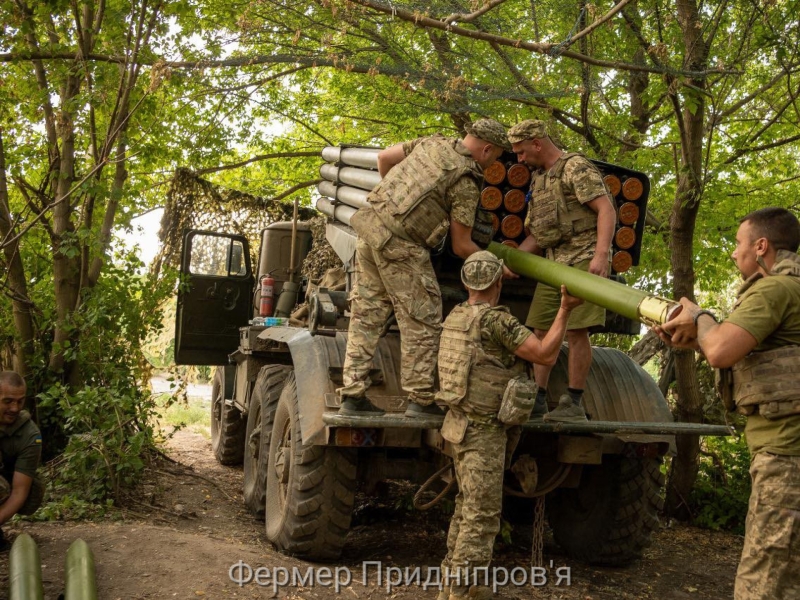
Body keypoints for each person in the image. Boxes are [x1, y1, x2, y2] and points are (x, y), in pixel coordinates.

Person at [654, 207, 800, 600]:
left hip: (785, 459)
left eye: (739, 243)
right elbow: (746, 356)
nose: (735, 253)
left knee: (762, 583)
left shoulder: (775, 289)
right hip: (787, 452)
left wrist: (699, 316)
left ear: (762, 246)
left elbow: (719, 349)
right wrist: (697, 335)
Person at [338, 119, 514, 417]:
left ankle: (352, 396)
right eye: (496, 156)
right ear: (487, 149)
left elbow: (384, 158)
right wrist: (497, 266)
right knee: (423, 318)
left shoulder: (433, 143)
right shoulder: (465, 179)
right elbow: (461, 246)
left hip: (370, 230)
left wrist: (394, 202)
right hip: (401, 246)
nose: (493, 163)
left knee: (367, 314)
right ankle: (420, 399)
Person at [436, 251, 582, 600]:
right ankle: (462, 590)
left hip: (459, 422)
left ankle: (449, 584)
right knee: (482, 514)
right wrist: (564, 310)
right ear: (497, 283)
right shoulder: (496, 322)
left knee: (466, 505)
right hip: (483, 429)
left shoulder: (456, 316)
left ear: (467, 283)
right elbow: (545, 353)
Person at [506, 119, 616, 422]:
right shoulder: (539, 179)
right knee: (541, 329)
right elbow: (539, 235)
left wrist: (601, 256)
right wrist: (511, 262)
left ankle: (573, 403)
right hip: (553, 265)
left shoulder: (575, 167)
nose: (520, 159)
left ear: (537, 144)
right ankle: (538, 399)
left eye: (521, 152)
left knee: (577, 331)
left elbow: (605, 209)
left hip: (582, 260)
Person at [0, 371, 44, 551]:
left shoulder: (30, 435)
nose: (15, 408)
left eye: (20, 401)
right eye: (8, 401)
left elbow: (20, 491)